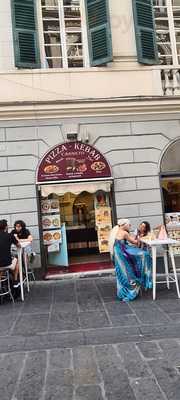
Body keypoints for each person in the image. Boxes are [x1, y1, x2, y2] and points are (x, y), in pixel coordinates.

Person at [109, 219, 152, 302]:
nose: (130, 226)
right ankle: (134, 286)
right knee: (144, 255)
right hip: (122, 253)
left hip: (118, 254)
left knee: (122, 273)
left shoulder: (116, 231)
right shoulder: (124, 233)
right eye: (129, 225)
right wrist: (140, 238)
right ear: (124, 225)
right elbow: (134, 242)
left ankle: (122, 293)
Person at [0, 219, 20, 288]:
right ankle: (15, 281)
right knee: (16, 259)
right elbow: (19, 245)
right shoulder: (10, 235)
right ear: (6, 227)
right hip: (6, 263)